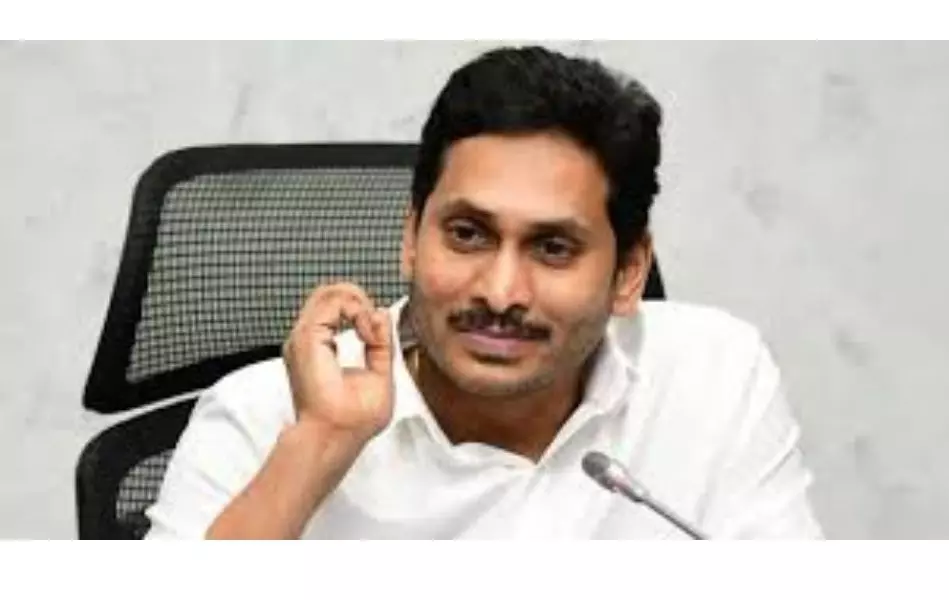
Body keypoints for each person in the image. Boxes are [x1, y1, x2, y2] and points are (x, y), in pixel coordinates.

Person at [144, 45, 823, 540]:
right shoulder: (262, 418)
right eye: (468, 235)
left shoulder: (717, 377)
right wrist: (320, 444)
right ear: (412, 237)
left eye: (553, 248)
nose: (500, 292)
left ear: (628, 272)